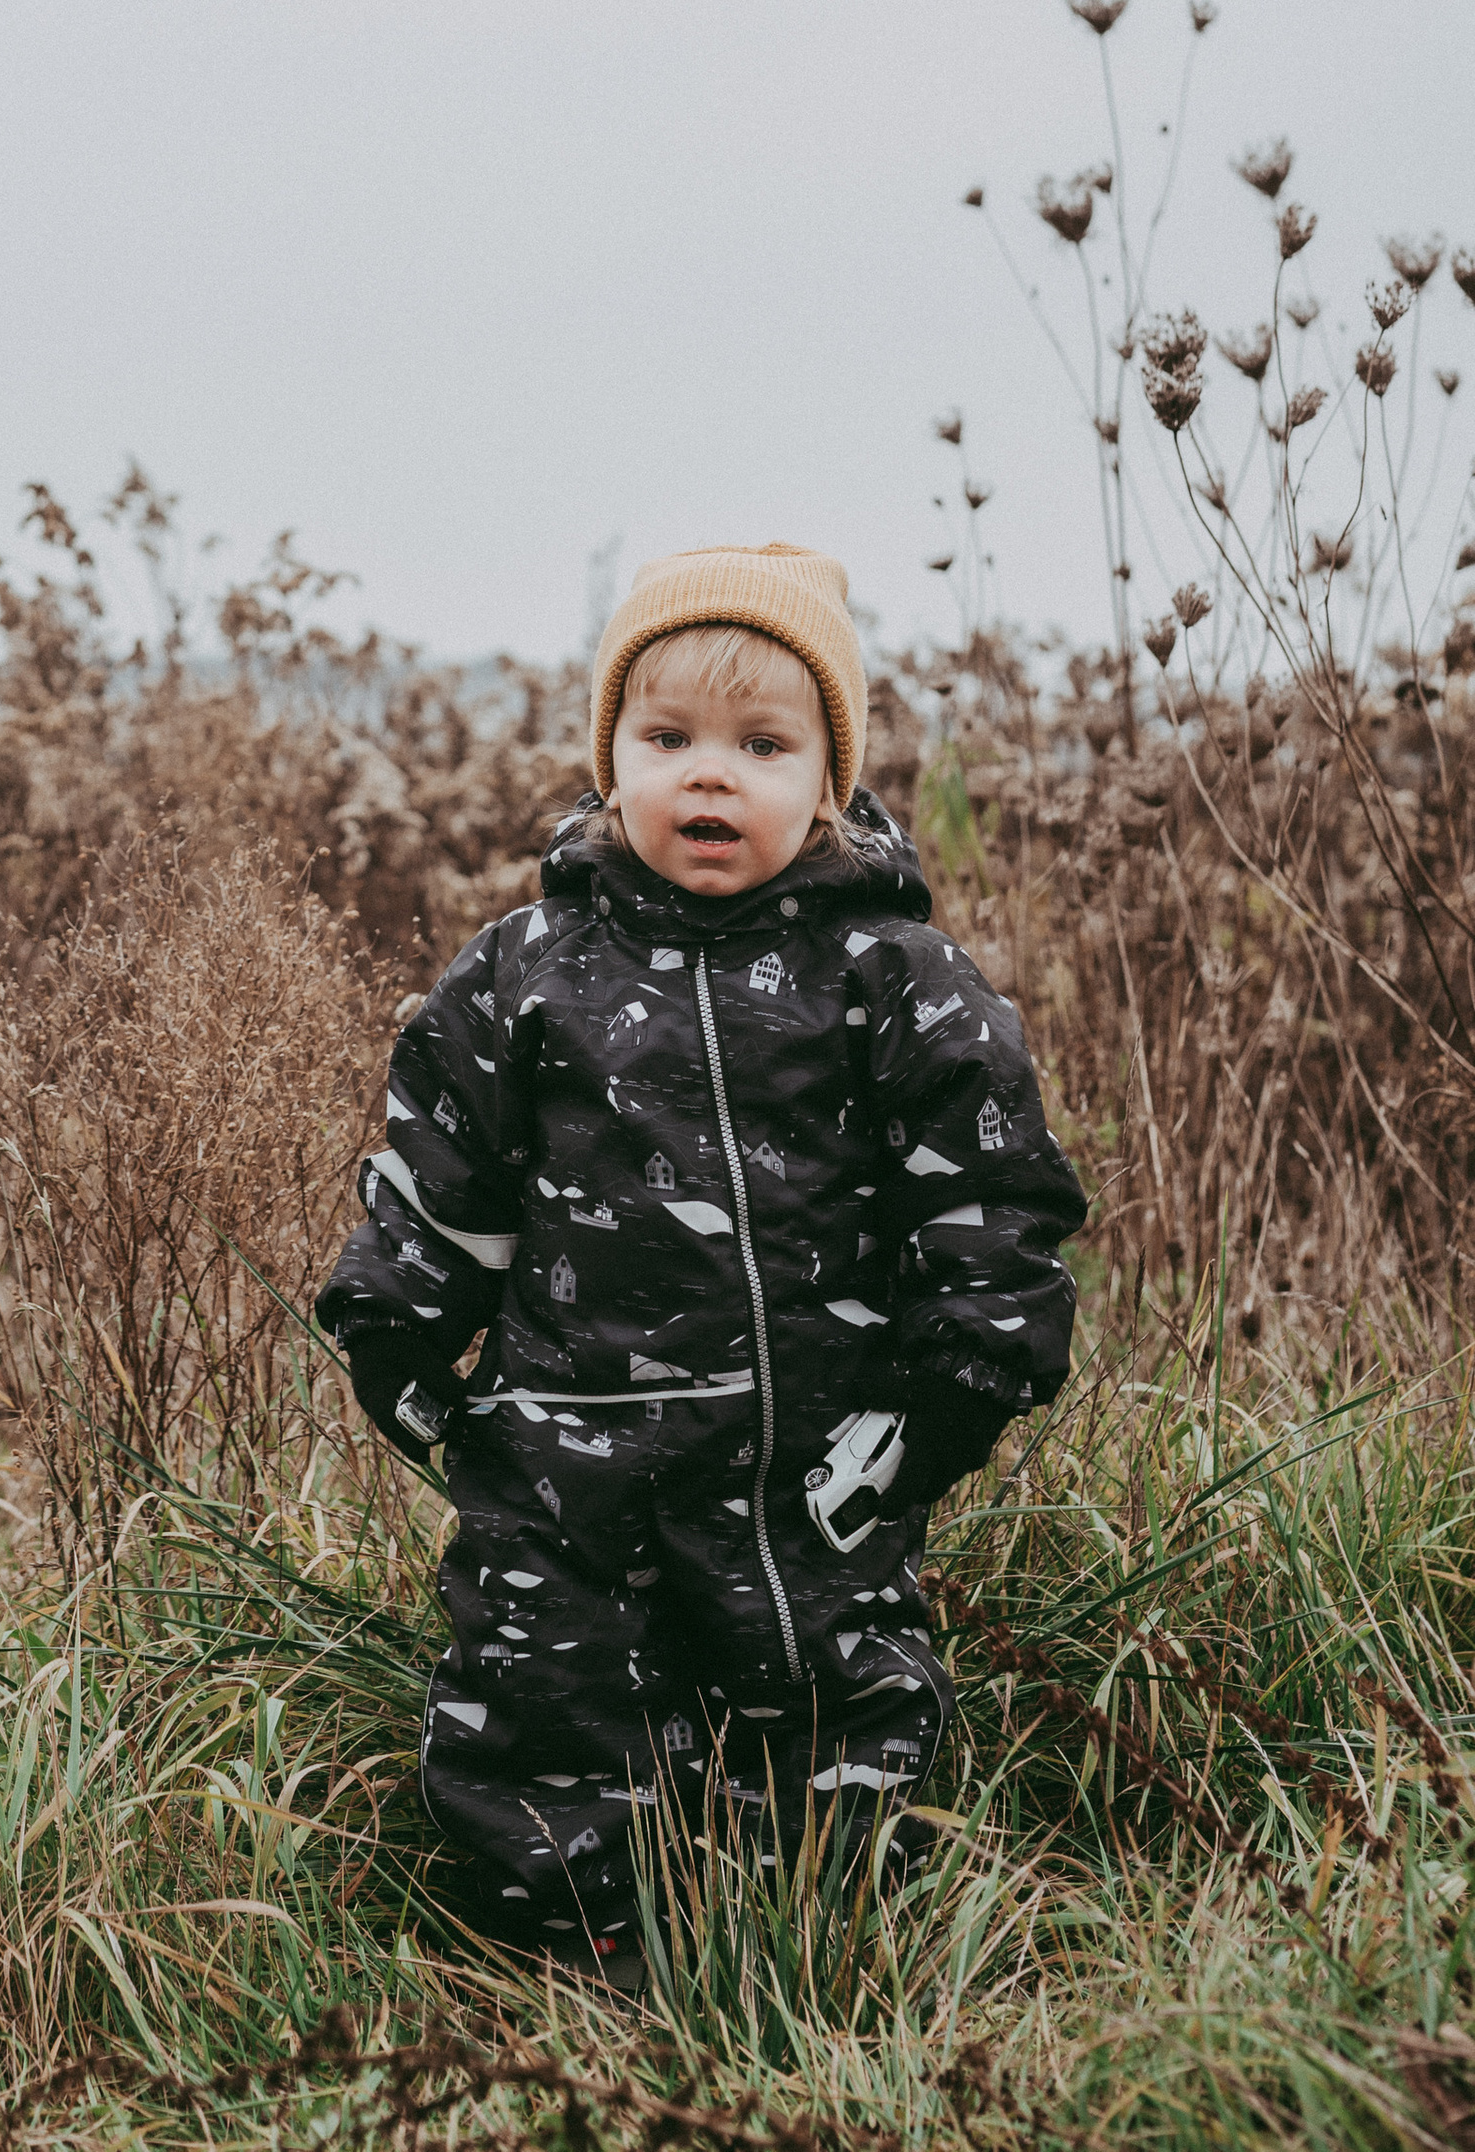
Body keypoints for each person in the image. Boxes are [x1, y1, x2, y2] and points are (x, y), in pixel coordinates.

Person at [316, 541, 1084, 1970]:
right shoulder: (525, 972)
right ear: (610, 760)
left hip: (817, 1453)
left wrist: (960, 1390)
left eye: (761, 744)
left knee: (831, 1700)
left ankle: (820, 1960)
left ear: (831, 779)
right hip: (563, 1455)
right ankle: (571, 1976)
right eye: (666, 739)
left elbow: (989, 1190)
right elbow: (441, 1178)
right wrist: (401, 1343)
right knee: (542, 1708)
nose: (710, 775)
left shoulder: (896, 983)